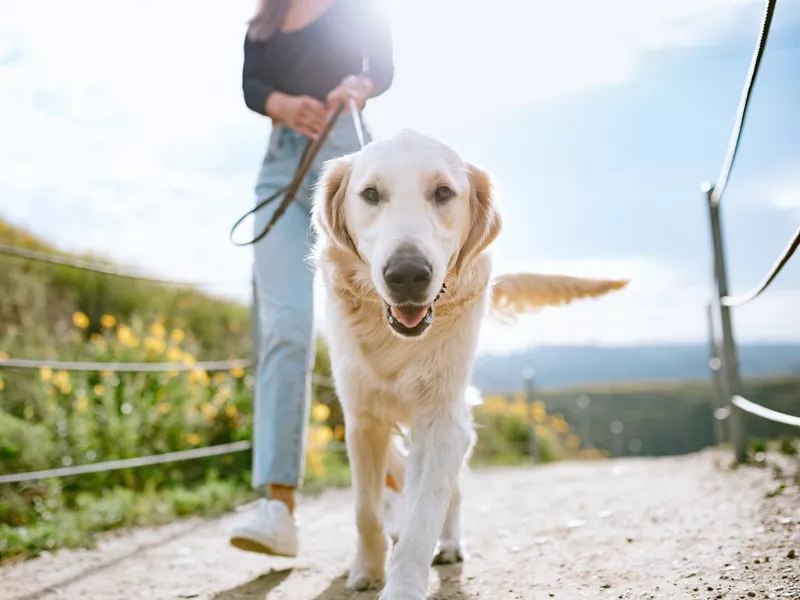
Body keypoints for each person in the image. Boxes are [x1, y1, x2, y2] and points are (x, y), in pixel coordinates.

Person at [229, 0, 400, 558]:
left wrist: (360, 83)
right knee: (287, 324)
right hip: (280, 166)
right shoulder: (265, 20)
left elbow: (385, 67)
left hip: (351, 160)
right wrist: (279, 102)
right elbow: (252, 85)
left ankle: (398, 481)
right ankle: (278, 509)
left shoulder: (358, 9)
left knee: (374, 323)